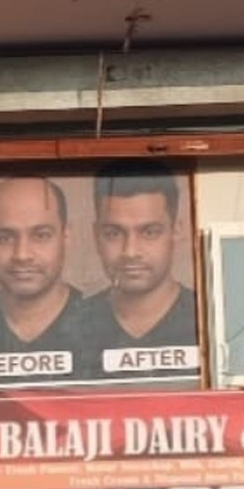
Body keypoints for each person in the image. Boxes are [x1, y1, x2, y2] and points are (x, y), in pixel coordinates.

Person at [82, 159, 199, 381]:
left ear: (176, 231)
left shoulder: (204, 319)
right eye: (114, 233)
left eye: (149, 232)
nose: (130, 251)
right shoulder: (72, 326)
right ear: (96, 236)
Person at [0, 176, 84, 385]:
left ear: (66, 238)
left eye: (41, 235)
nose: (22, 255)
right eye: (5, 238)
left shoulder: (99, 322)